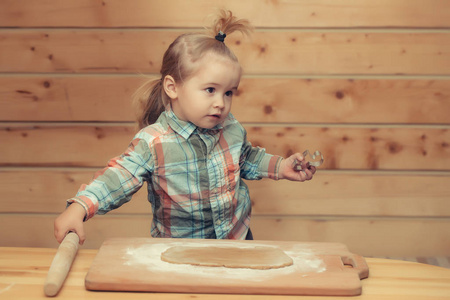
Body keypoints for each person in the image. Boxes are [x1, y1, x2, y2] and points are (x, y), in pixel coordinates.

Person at [54, 10, 316, 245]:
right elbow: (118, 178)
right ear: (173, 87)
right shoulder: (154, 142)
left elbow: (246, 158)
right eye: (210, 90)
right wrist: (79, 207)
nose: (221, 103)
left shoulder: (230, 127)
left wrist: (280, 167)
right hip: (180, 250)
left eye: (228, 93)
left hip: (237, 239)